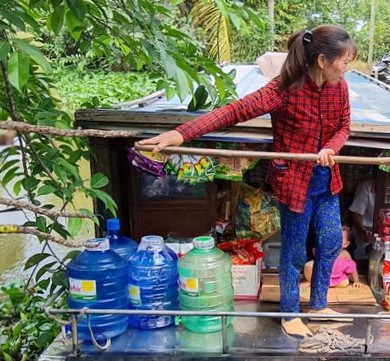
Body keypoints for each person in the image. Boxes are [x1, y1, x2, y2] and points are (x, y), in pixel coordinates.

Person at [138, 25, 357, 338]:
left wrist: (330, 148)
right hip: (294, 182)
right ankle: (290, 313)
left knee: (331, 242)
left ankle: (319, 305)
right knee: (294, 251)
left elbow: (344, 127)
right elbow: (234, 111)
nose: (347, 67)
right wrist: (180, 133)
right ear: (323, 60)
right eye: (345, 61)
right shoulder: (284, 88)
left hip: (327, 180)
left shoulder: (340, 88)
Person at [348, 173, 390, 259]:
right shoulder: (366, 187)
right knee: (364, 257)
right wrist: (361, 230)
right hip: (368, 230)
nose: (388, 177)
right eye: (385, 174)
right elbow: (356, 212)